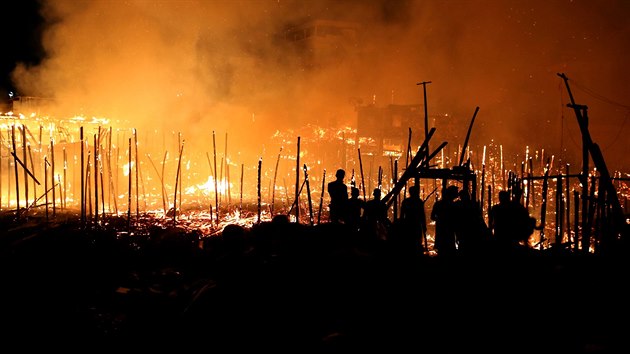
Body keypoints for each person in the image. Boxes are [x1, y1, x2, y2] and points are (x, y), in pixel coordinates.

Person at [430, 185, 459, 257]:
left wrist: (440, 220)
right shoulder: (453, 205)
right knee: (449, 248)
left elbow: (432, 217)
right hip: (449, 229)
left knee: (442, 249)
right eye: (455, 193)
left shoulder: (438, 204)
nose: (457, 195)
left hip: (441, 229)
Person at [400, 184, 428, 255]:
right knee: (416, 240)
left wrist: (401, 223)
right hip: (416, 224)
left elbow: (402, 214)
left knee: (409, 240)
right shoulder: (419, 202)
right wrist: (424, 225)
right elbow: (422, 215)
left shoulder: (406, 201)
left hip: (408, 223)